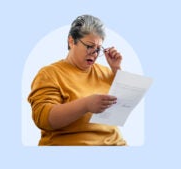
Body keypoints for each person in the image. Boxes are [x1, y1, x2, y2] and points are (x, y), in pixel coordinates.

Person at [27, 14, 127, 146]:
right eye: (89, 46)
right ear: (71, 41)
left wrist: (117, 68)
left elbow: (124, 106)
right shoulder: (50, 74)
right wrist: (85, 105)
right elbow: (43, 119)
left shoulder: (106, 72)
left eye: (98, 49)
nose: (94, 53)